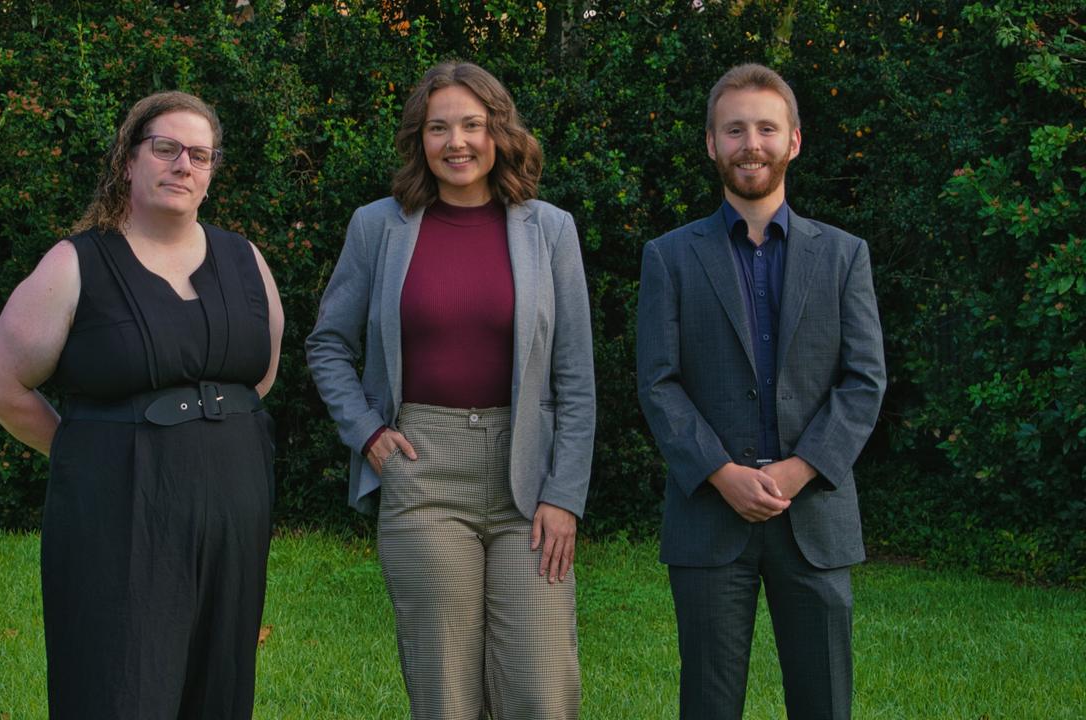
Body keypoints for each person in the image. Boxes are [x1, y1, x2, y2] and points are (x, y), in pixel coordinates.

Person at [0, 91, 283, 719]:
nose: (183, 165)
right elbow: (1, 384)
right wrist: (89, 449)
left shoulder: (244, 258)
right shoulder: (75, 263)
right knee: (119, 680)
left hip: (234, 499)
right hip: (118, 503)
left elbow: (262, 374)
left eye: (199, 155)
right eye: (165, 148)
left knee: (219, 683)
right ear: (128, 161)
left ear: (211, 172)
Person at [306, 61, 595, 719]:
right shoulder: (379, 226)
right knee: (446, 695)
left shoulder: (548, 229)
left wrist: (565, 495)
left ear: (499, 133)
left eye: (472, 124)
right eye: (439, 128)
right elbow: (328, 344)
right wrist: (369, 434)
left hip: (529, 478)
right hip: (423, 473)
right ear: (420, 138)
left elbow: (575, 377)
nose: (456, 142)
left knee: (542, 689)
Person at [636, 63, 887, 720]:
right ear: (712, 144)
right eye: (735, 129)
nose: (753, 144)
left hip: (816, 516)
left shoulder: (843, 256)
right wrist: (722, 473)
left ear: (794, 140)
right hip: (709, 517)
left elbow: (864, 381)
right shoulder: (670, 257)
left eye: (767, 129)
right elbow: (658, 383)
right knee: (710, 705)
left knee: (824, 703)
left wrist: (800, 469)